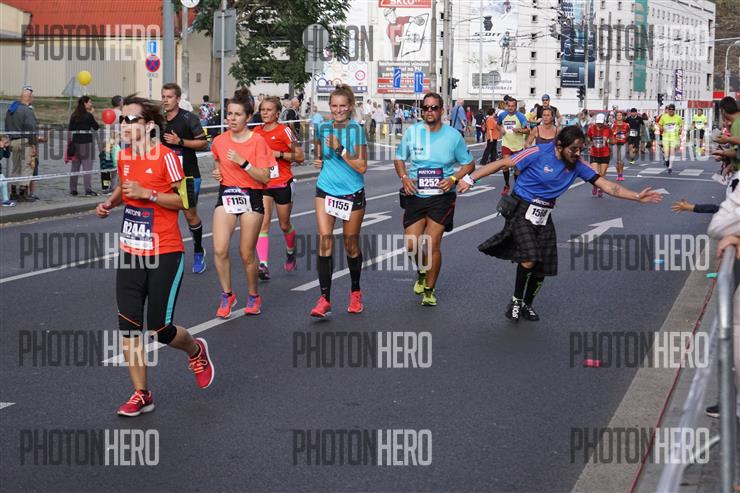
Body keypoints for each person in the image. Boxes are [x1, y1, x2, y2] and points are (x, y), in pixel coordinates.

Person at [457, 125, 662, 322]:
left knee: (543, 265)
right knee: (530, 256)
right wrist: (470, 179)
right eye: (573, 149)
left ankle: (527, 304)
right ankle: (516, 301)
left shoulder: (578, 164)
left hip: (544, 214)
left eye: (580, 149)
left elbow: (607, 186)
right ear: (559, 146)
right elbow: (503, 163)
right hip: (521, 208)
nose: (577, 153)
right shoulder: (537, 152)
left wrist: (636, 196)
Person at [95, 95, 215, 416]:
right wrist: (109, 203)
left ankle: (195, 350)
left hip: (165, 251)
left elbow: (184, 201)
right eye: (121, 119)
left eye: (130, 120)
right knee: (128, 327)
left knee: (160, 329)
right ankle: (142, 393)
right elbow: (125, 186)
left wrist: (148, 194)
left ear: (149, 126)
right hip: (131, 252)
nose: (123, 124)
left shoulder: (167, 157)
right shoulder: (124, 156)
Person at [394, 92, 474, 306]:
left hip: (442, 196)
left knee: (431, 243)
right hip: (416, 194)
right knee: (411, 244)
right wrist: (404, 178)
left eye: (434, 108)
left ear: (442, 111)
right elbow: (399, 158)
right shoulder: (413, 132)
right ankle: (422, 270)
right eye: (426, 108)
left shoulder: (453, 136)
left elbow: (469, 164)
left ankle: (429, 290)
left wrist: (454, 178)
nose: (429, 111)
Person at [210, 88, 274, 318]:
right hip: (227, 193)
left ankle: (253, 295)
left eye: (237, 114)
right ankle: (227, 294)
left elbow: (265, 177)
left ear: (248, 117)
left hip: (251, 196)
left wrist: (243, 163)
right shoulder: (219, 141)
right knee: (219, 249)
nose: (232, 118)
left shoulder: (257, 142)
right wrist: (217, 172)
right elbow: (218, 161)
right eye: (229, 114)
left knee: (246, 253)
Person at [310, 84, 368, 317]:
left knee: (350, 244)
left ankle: (355, 291)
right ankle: (324, 298)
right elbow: (319, 151)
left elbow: (362, 166)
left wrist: (341, 149)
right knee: (325, 239)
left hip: (351, 192)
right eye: (334, 106)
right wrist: (319, 160)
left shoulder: (357, 130)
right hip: (326, 189)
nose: (338, 110)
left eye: (343, 106)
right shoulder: (323, 128)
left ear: (350, 106)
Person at [253, 95, 305, 279]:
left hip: (282, 183)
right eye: (262, 110)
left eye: (269, 110)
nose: (265, 113)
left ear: (277, 113)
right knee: (263, 224)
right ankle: (263, 265)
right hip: (264, 184)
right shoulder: (256, 132)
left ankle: (291, 251)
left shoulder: (284, 131)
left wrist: (278, 154)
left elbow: (300, 156)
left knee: (284, 224)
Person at [161, 82, 209, 273]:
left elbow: (203, 143)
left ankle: (198, 250)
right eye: (163, 97)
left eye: (169, 97)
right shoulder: (159, 120)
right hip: (165, 176)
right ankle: (168, 254)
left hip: (187, 176)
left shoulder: (189, 118)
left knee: (190, 216)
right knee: (165, 216)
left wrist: (179, 141)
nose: (165, 100)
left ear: (178, 99)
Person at [4, 86, 44, 201]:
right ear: (28, 97)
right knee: (27, 166)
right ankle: (23, 192)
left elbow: (6, 125)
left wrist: (9, 139)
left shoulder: (11, 110)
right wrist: (33, 145)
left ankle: (13, 191)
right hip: (25, 142)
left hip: (13, 141)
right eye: (32, 97)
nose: (33, 99)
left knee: (16, 167)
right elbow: (31, 129)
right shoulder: (27, 111)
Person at [67, 95, 100, 196]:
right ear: (85, 103)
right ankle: (88, 190)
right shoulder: (88, 115)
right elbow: (96, 127)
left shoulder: (74, 115)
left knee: (75, 167)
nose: (91, 104)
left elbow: (70, 128)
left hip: (75, 142)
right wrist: (92, 114)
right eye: (90, 102)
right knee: (87, 167)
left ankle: (73, 189)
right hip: (86, 143)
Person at [496, 97, 529, 196]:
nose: (510, 108)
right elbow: (497, 125)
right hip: (506, 144)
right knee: (505, 165)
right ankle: (506, 185)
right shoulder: (502, 115)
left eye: (513, 106)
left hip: (518, 145)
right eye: (509, 106)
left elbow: (528, 130)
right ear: (506, 106)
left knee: (517, 168)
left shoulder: (521, 116)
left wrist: (519, 130)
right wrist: (500, 129)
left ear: (516, 106)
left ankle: (517, 187)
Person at [586, 113, 612, 197]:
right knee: (595, 173)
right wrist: (590, 143)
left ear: (604, 122)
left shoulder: (607, 129)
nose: (599, 124)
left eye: (601, 123)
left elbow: (608, 138)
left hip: (605, 153)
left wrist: (607, 140)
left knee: (602, 173)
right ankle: (595, 185)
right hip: (594, 153)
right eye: (598, 123)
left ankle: (601, 188)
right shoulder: (591, 128)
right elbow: (588, 137)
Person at [657, 103, 683, 174]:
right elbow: (659, 124)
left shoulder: (678, 118)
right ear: (668, 110)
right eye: (670, 109)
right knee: (666, 152)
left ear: (674, 110)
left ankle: (670, 167)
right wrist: (662, 128)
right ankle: (666, 160)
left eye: (672, 109)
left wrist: (680, 130)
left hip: (674, 137)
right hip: (665, 137)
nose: (671, 110)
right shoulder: (664, 117)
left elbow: (681, 126)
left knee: (672, 152)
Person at [611, 111, 629, 181]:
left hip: (623, 144)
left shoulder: (626, 125)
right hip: (615, 144)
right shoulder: (613, 125)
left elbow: (628, 133)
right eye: (617, 115)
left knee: (621, 160)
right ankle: (618, 174)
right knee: (616, 160)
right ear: (616, 117)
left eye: (620, 115)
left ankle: (621, 174)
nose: (619, 116)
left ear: (622, 117)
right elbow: (610, 133)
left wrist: (625, 139)